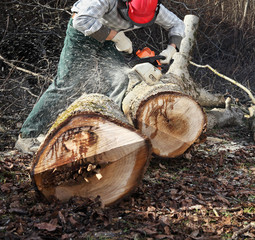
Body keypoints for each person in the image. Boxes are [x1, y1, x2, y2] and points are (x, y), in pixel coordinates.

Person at [15, 0, 185, 154]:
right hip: (82, 34)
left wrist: (171, 49)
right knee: (68, 83)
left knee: (120, 80)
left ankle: (110, 131)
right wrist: (117, 36)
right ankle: (28, 135)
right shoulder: (105, 1)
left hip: (109, 40)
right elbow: (80, 20)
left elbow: (177, 25)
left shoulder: (154, 7)